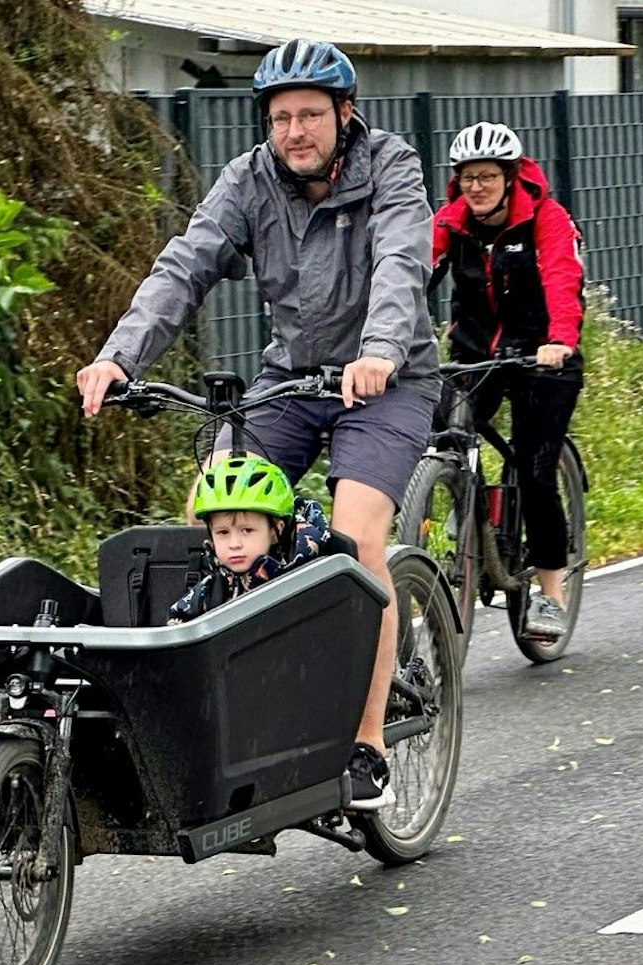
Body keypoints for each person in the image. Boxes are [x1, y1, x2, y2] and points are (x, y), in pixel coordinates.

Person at [75, 38, 437, 813]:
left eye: (310, 114)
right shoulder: (249, 179)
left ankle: (366, 740)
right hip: (293, 378)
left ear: (345, 113)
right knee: (213, 509)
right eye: (280, 117)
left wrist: (378, 348)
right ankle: (240, 706)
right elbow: (184, 265)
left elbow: (402, 260)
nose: (295, 131)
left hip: (387, 382)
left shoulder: (392, 167)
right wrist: (118, 357)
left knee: (355, 539)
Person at [432, 120, 585, 640]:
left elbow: (564, 280)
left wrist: (560, 339)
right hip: (475, 354)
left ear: (511, 176)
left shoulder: (546, 219)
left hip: (543, 356)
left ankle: (550, 593)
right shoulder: (451, 223)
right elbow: (408, 269)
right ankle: (461, 501)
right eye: (468, 177)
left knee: (534, 467)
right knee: (438, 430)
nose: (476, 186)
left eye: (487, 176)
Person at [168, 454, 337, 635]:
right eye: (223, 533)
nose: (234, 544)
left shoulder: (305, 576)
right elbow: (177, 635)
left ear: (275, 531)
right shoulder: (210, 590)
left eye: (247, 530)